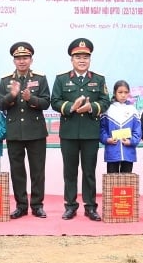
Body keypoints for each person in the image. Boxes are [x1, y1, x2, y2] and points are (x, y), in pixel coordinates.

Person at [51, 38, 110, 221]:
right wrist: (71, 106)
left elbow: (105, 101)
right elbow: (55, 101)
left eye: (85, 56)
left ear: (90, 59)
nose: (82, 60)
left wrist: (91, 107)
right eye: (78, 57)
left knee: (89, 171)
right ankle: (70, 206)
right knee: (70, 171)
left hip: (90, 132)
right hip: (69, 133)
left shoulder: (99, 79)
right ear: (72, 59)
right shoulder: (61, 79)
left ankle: (90, 206)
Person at [0, 41, 50, 219]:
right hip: (14, 132)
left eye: (25, 57)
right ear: (13, 60)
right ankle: (21, 205)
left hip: (35, 132)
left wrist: (31, 99)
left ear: (31, 59)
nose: (22, 61)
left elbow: (46, 102)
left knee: (37, 171)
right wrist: (11, 95)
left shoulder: (40, 78)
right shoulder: (6, 80)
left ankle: (37, 205)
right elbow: (0, 104)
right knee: (17, 171)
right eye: (18, 58)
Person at [99, 80, 141, 173]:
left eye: (126, 92)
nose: (123, 95)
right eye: (120, 92)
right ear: (114, 93)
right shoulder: (107, 109)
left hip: (128, 153)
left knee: (126, 183)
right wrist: (107, 139)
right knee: (112, 182)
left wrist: (131, 141)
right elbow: (102, 129)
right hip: (112, 153)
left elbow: (137, 130)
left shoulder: (132, 110)